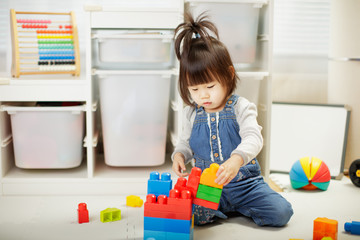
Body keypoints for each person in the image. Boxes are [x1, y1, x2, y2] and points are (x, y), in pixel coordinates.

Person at [171, 12, 293, 227]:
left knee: (281, 213)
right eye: (195, 89)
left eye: (210, 86)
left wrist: (237, 160)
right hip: (208, 187)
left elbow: (254, 138)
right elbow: (185, 142)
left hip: (246, 184)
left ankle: (239, 206)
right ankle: (219, 209)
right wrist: (179, 155)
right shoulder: (192, 113)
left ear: (228, 75)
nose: (203, 95)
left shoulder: (241, 106)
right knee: (189, 215)